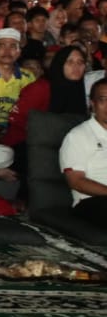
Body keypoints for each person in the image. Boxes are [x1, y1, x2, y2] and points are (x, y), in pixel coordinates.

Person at [6, 46, 89, 149]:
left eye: (80, 62)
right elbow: (15, 118)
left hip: (64, 146)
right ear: (60, 64)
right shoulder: (41, 87)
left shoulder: (80, 90)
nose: (76, 66)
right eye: (70, 62)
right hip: (24, 146)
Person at [0, 27, 36, 144]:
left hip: (19, 134)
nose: (7, 51)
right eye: (2, 45)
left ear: (19, 52)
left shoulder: (28, 78)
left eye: (13, 46)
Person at [59, 81, 107, 221]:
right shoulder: (78, 136)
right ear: (92, 103)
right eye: (103, 100)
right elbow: (76, 181)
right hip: (92, 201)